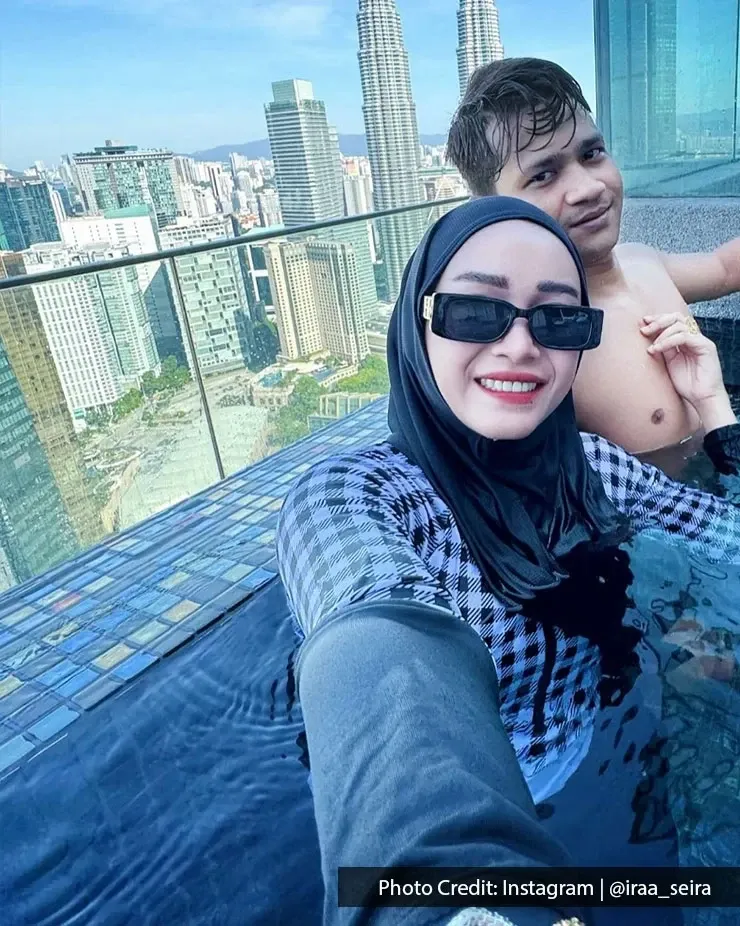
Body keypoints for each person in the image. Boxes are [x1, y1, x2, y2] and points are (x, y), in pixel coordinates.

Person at [276, 197, 740, 926]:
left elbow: (730, 539)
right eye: (474, 312)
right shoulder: (355, 497)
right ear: (416, 321)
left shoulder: (593, 470)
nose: (522, 346)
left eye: (557, 318)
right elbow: (376, 642)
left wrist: (715, 412)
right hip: (460, 813)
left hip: (597, 769)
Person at [446, 58, 740, 479]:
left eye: (592, 153)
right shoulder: (540, 344)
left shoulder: (643, 262)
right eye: (544, 175)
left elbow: (725, 268)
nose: (588, 188)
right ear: (494, 208)